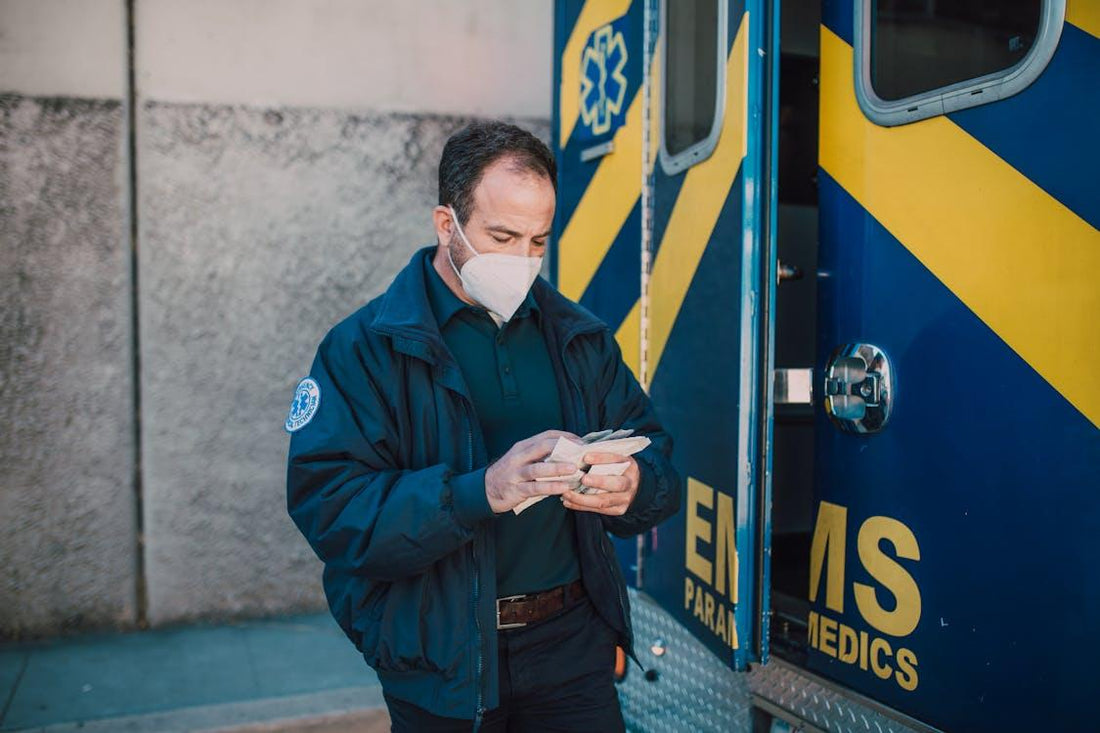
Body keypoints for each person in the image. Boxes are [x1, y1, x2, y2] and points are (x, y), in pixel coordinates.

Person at [285, 120, 681, 732]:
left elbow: (657, 462)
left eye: (538, 240)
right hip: (439, 658)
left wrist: (633, 486)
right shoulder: (364, 349)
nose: (522, 260)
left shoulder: (578, 337)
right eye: (502, 236)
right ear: (447, 225)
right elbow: (331, 510)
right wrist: (483, 491)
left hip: (571, 650)